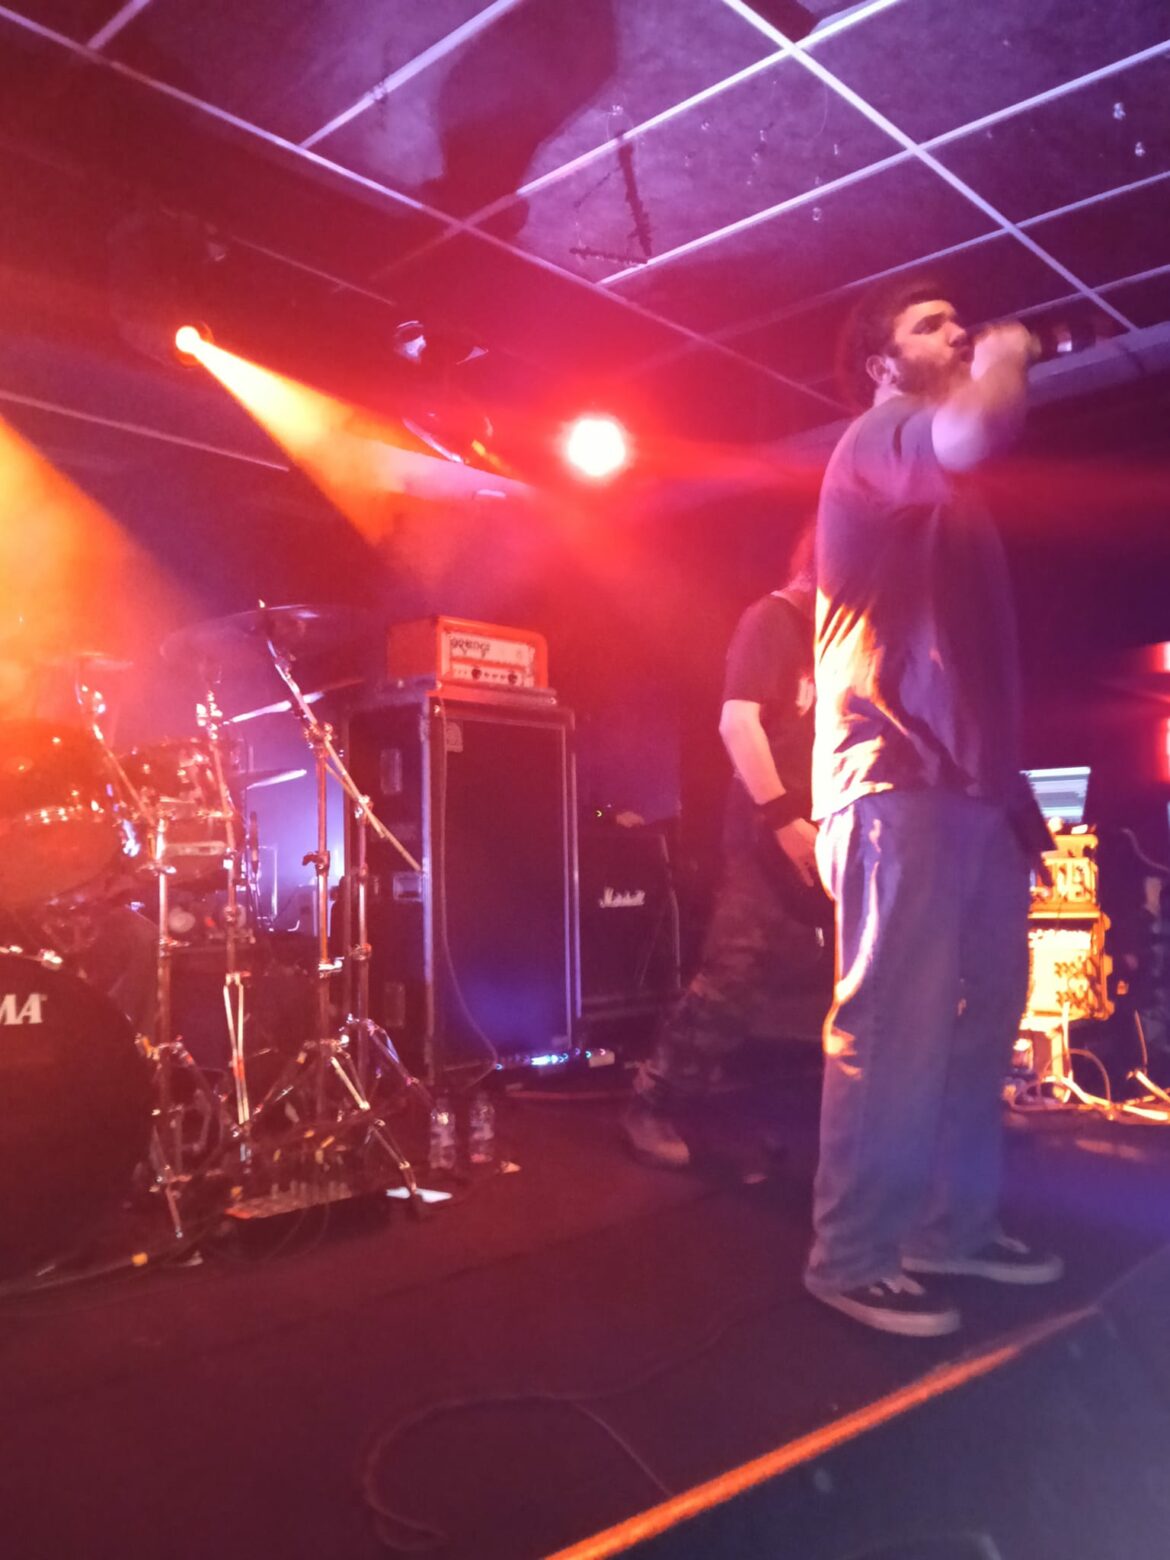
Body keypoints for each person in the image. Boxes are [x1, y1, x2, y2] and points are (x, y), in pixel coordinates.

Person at [805, 278, 1061, 1337]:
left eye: (961, 322)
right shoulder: (883, 432)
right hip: (894, 779)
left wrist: (1014, 802)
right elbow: (967, 428)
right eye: (930, 324)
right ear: (884, 364)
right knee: (893, 1026)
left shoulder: (953, 494)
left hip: (973, 793)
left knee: (982, 1018)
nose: (955, 331)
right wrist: (1003, 356)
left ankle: (949, 1229)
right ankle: (852, 1255)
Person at [625, 537, 833, 1169]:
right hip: (767, 836)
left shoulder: (838, 638)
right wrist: (783, 818)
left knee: (838, 980)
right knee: (733, 975)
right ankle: (650, 1104)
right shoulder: (771, 620)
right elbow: (737, 723)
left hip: (826, 830)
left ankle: (827, 1120)